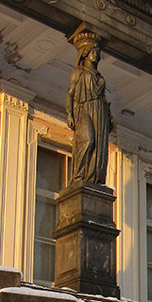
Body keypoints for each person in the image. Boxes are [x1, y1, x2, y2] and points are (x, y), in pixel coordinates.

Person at [65, 28, 113, 185]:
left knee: (98, 147)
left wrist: (109, 116)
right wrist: (69, 114)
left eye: (97, 52)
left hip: (100, 111)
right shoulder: (78, 72)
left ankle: (93, 178)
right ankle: (78, 177)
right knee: (88, 140)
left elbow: (103, 98)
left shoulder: (100, 77)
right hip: (83, 109)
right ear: (85, 53)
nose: (96, 54)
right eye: (93, 51)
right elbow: (70, 93)